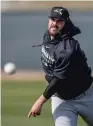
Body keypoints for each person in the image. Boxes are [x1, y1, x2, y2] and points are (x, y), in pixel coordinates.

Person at [28, 7, 93, 126]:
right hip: (61, 100)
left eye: (59, 21)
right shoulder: (48, 36)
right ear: (48, 20)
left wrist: (39, 102)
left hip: (86, 98)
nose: (55, 23)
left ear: (65, 23)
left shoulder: (67, 48)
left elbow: (58, 79)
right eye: (53, 19)